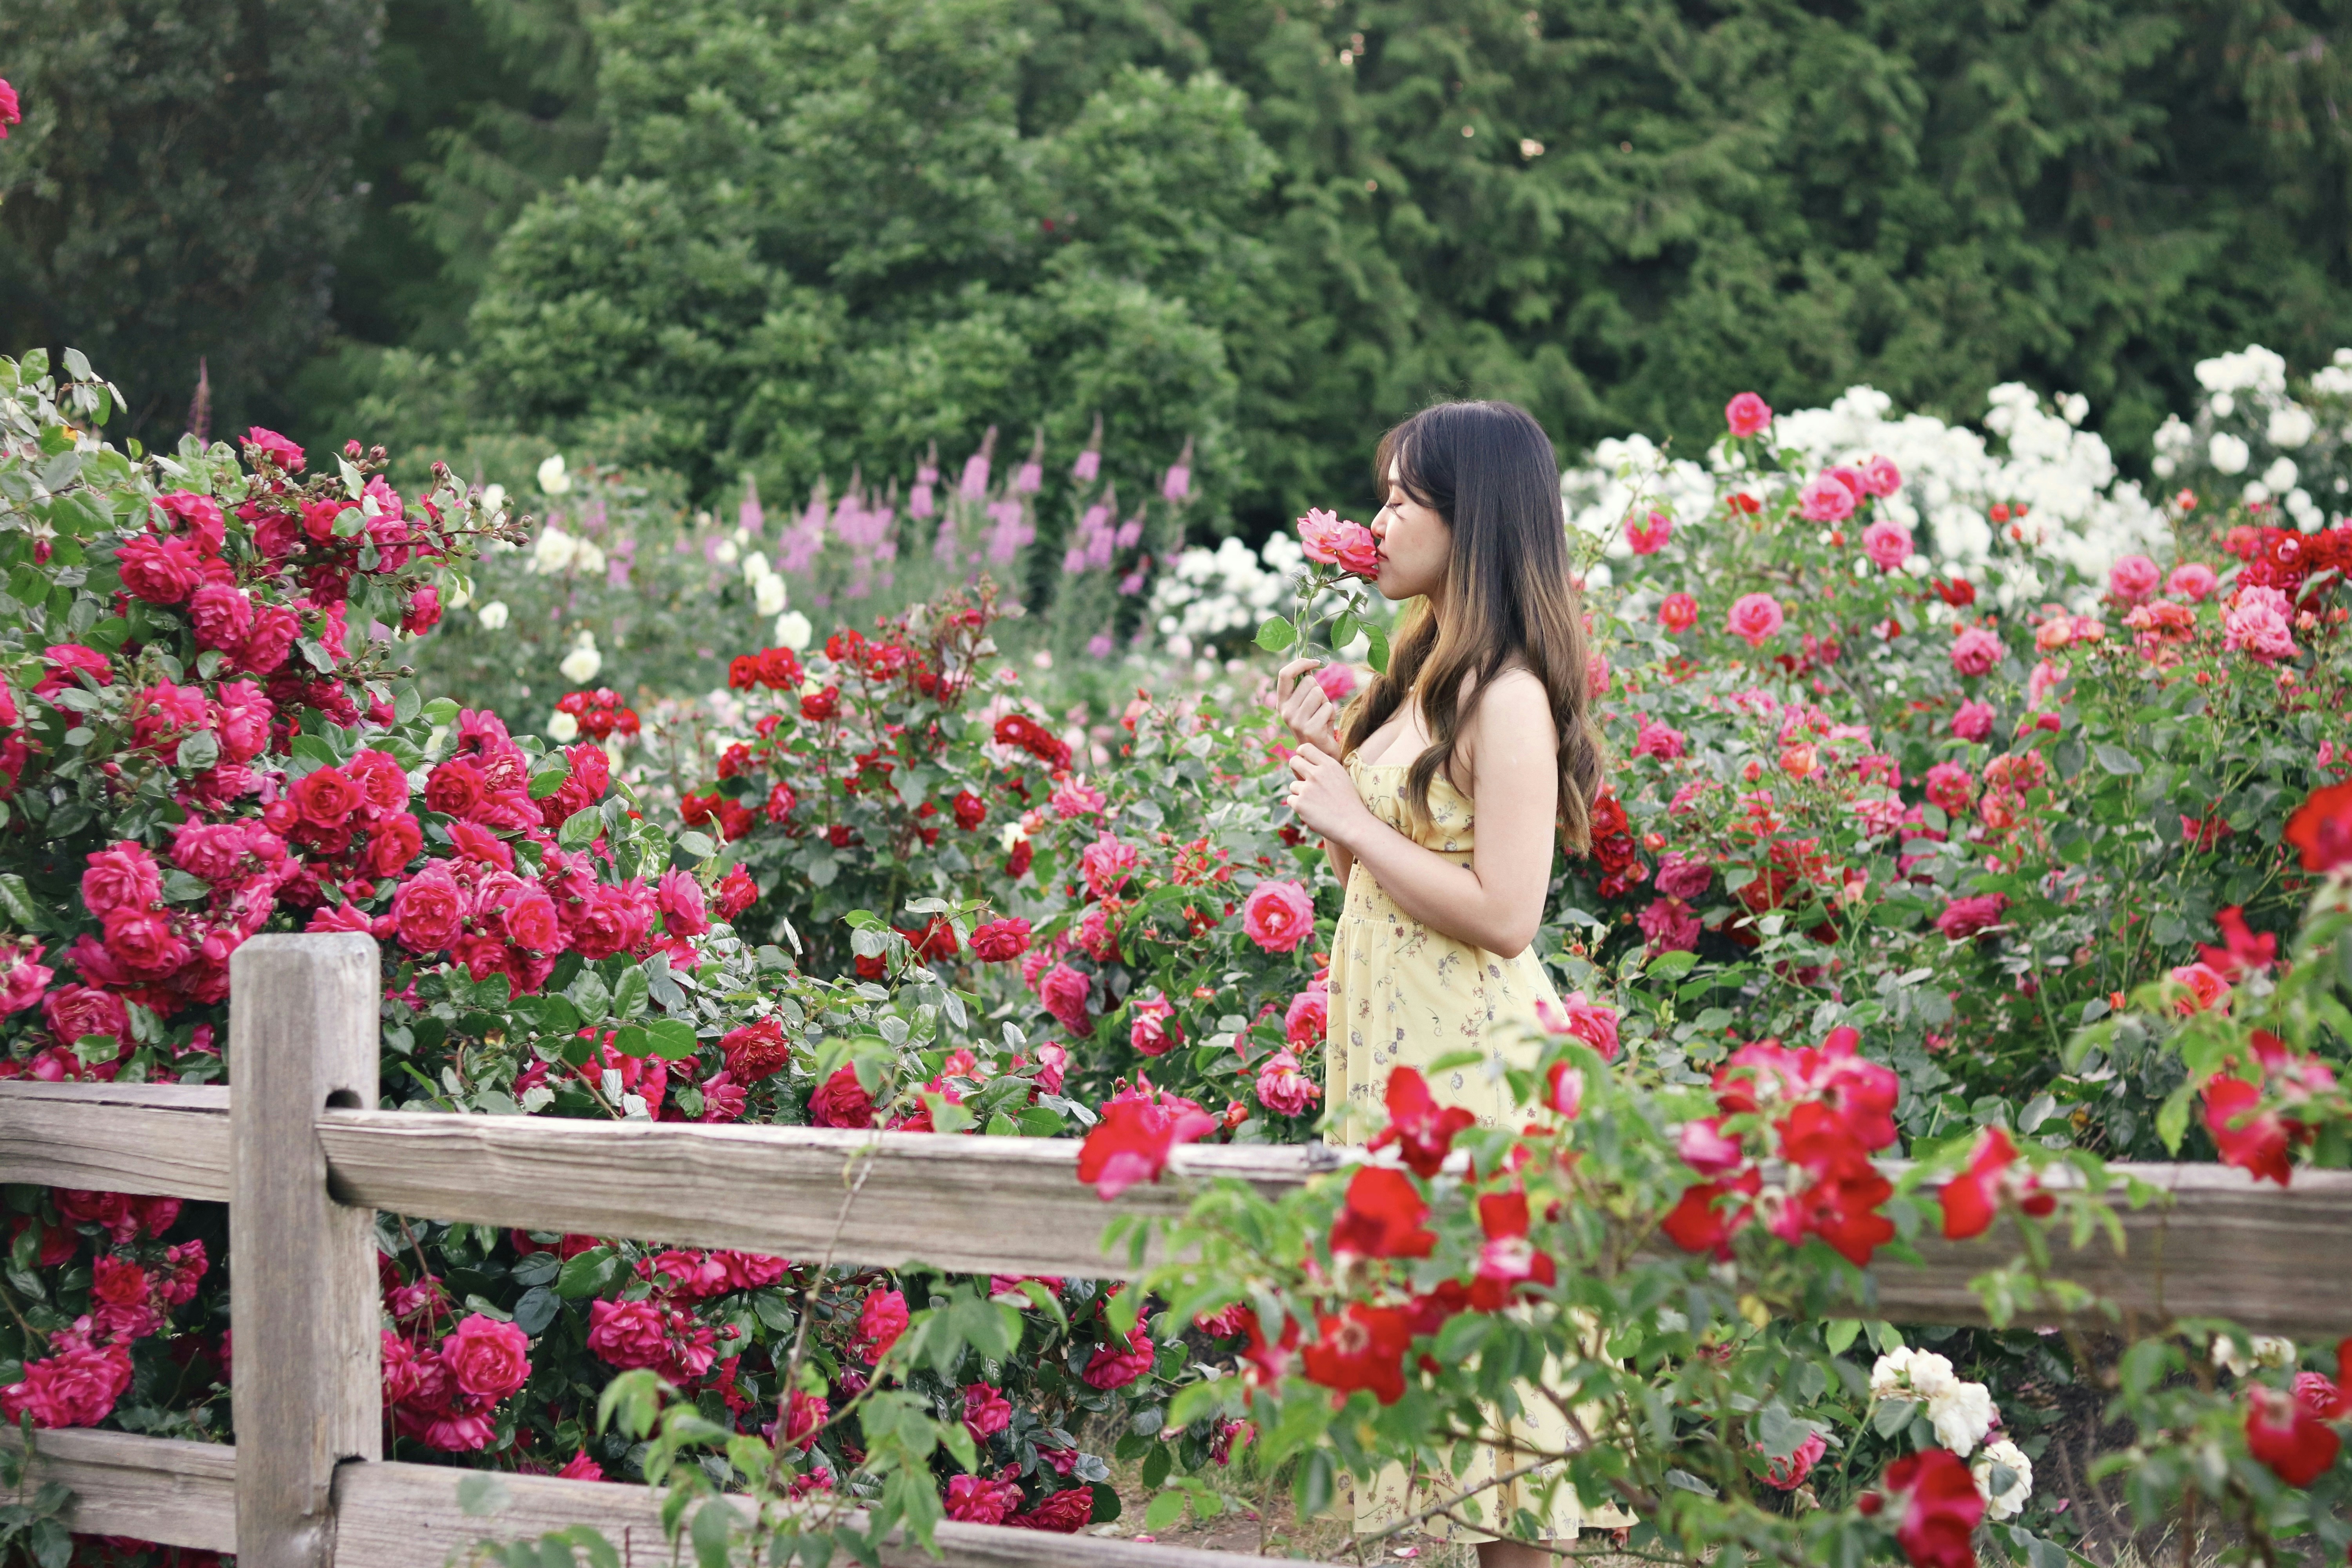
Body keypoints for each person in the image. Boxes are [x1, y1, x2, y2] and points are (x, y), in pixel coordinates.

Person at [1273, 399, 1624, 1565]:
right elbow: (1388, 876)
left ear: (1470, 524)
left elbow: (1504, 911)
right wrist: (1328, 776)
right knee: (1432, 1393)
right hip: (1395, 1057)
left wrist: (1353, 826)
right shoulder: (1421, 668)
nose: (1377, 524)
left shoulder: (1507, 695)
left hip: (1475, 1072)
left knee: (1498, 1422)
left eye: (1401, 502)